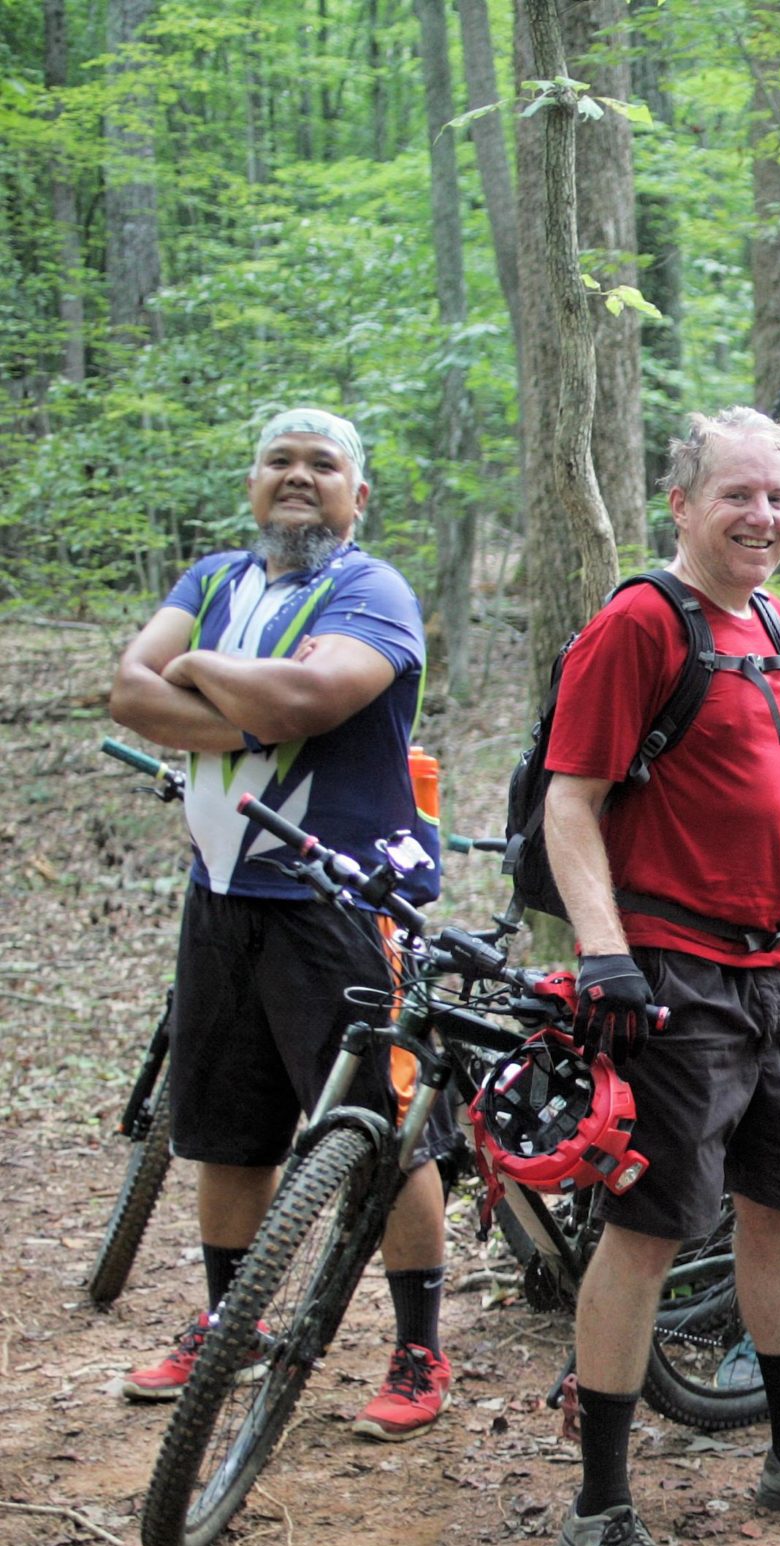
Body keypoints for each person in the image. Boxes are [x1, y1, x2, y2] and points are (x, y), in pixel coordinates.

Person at [541, 406, 780, 1546]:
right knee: (646, 1233)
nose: (763, 518)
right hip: (673, 976)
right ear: (680, 504)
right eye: (738, 496)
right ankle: (600, 1507)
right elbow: (571, 803)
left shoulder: (771, 623)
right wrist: (605, 954)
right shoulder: (641, 624)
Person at [107, 406, 454, 1442]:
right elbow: (128, 693)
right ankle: (233, 1325)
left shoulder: (369, 589)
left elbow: (307, 699)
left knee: (384, 1130)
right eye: (278, 461)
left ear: (359, 493)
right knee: (229, 1128)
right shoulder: (213, 580)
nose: (297, 477)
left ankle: (418, 1347)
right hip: (222, 898)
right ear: (252, 481)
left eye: (322, 464)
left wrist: (202, 675)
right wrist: (242, 702)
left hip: (337, 905)